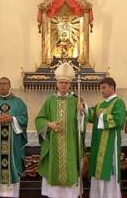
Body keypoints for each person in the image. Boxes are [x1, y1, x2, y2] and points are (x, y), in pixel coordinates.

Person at [35, 62, 83, 198]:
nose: (63, 85)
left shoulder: (75, 101)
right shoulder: (50, 101)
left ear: (70, 85)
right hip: (53, 144)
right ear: (56, 83)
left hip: (70, 144)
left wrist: (82, 111)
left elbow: (82, 122)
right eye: (61, 82)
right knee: (54, 173)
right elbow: (39, 119)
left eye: (66, 83)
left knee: (69, 174)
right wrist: (49, 125)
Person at [86, 77, 127, 198]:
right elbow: (92, 114)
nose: (101, 91)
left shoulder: (118, 102)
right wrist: (83, 109)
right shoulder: (100, 104)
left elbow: (119, 120)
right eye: (100, 88)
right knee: (97, 167)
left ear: (112, 88)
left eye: (104, 88)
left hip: (109, 143)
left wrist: (102, 116)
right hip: (98, 142)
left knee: (108, 168)